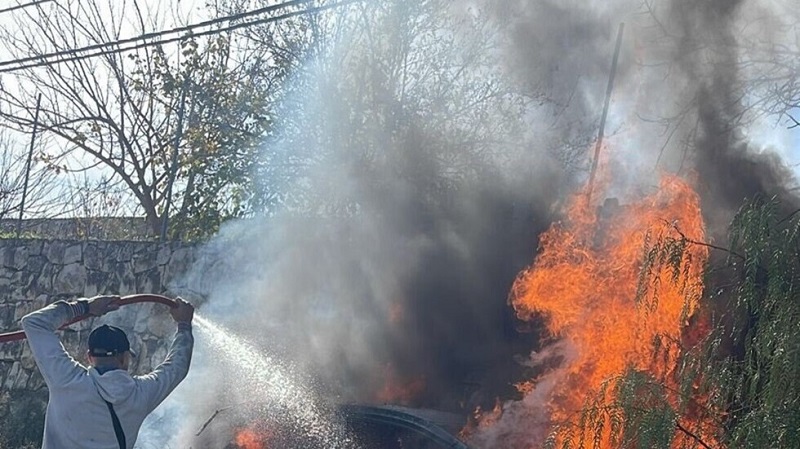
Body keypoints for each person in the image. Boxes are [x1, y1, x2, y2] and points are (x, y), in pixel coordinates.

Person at [21, 295, 195, 449]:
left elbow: (34, 323)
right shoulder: (141, 394)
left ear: (90, 357)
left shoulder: (66, 378)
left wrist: (86, 307)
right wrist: (184, 325)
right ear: (125, 358)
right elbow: (177, 367)